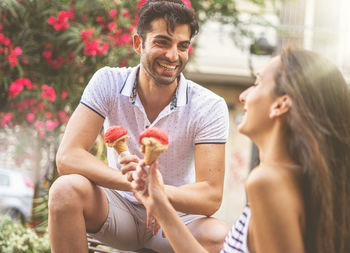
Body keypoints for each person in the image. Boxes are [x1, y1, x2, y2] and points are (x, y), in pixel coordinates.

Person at [48, 0, 230, 252]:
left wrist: (157, 194)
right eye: (162, 42)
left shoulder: (209, 105)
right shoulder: (108, 81)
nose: (173, 56)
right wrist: (137, 185)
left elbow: (210, 196)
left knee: (218, 236)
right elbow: (68, 157)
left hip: (171, 218)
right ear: (138, 44)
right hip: (117, 210)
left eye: (182, 46)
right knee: (64, 190)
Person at [129, 47, 350, 253]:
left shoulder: (268, 182)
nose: (244, 95)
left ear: (280, 105)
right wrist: (160, 202)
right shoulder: (301, 181)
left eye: (257, 83)